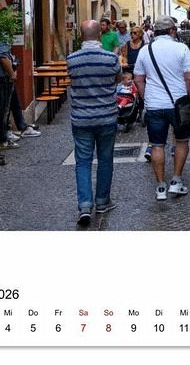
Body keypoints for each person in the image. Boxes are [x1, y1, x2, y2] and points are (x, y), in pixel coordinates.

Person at [134, 16, 190, 201]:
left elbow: (138, 79)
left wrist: (147, 98)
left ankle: (161, 186)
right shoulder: (181, 48)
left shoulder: (145, 50)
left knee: (157, 144)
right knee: (182, 141)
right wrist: (189, 97)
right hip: (178, 103)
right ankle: (176, 181)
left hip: (154, 104)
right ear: (172, 31)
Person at [67, 19, 122, 226]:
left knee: (82, 162)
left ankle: (84, 205)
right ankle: (102, 202)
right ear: (100, 35)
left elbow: (73, 80)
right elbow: (117, 79)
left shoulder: (72, 59)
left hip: (81, 118)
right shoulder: (110, 58)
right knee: (105, 159)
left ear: (81, 36)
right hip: (106, 116)